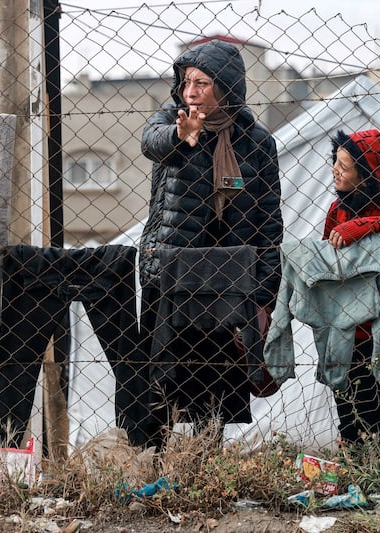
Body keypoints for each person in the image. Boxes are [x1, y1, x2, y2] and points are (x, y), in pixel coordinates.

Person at [137, 39, 283, 449]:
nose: (191, 92)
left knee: (217, 379)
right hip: (174, 272)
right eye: (187, 82)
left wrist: (265, 287)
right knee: (163, 376)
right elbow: (152, 142)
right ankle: (157, 457)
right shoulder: (173, 120)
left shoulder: (256, 141)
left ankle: (204, 458)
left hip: (228, 279)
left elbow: (269, 219)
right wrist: (183, 137)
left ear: (227, 88)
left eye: (203, 83)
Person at [323, 129, 380, 452]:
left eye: (344, 167)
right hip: (338, 325)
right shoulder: (338, 209)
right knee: (344, 404)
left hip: (370, 329)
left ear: (368, 177)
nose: (335, 169)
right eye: (335, 161)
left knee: (374, 405)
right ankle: (355, 466)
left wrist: (360, 227)